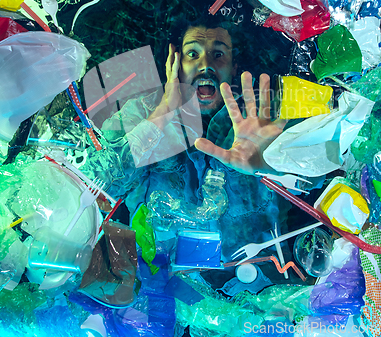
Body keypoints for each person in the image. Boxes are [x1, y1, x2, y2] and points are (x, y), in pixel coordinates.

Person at [99, 13, 291, 258]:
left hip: (258, 279)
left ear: (234, 68)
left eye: (218, 54)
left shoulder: (264, 118)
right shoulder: (142, 114)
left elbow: (319, 176)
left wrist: (277, 163)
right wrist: (163, 112)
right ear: (175, 65)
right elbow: (102, 183)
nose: (206, 65)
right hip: (163, 280)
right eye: (193, 54)